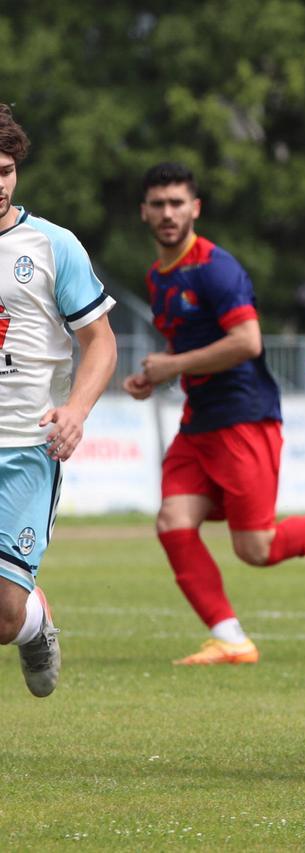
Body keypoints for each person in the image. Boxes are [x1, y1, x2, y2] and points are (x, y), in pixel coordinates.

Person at [123, 162, 305, 666]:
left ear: (195, 208)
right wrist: (159, 376)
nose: (168, 213)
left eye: (177, 203)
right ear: (144, 212)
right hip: (199, 422)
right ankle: (232, 640)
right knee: (173, 521)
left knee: (255, 548)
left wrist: (171, 364)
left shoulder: (216, 268)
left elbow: (247, 341)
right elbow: (191, 345)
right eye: (158, 204)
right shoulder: (157, 276)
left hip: (243, 418)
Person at [0, 104, 118, 697]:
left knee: (1, 613)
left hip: (24, 448)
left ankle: (33, 623)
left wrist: (74, 411)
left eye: (5, 170)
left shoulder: (52, 246)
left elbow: (100, 342)